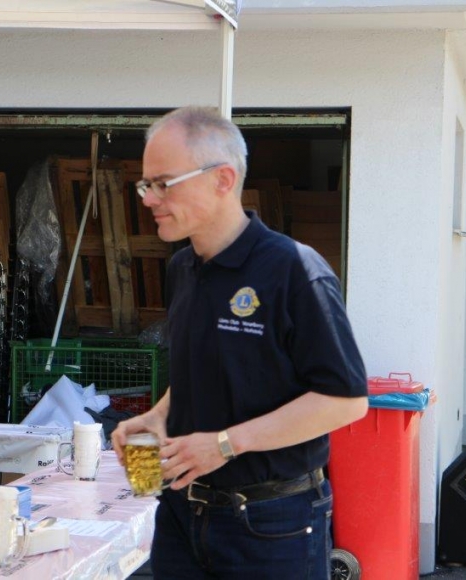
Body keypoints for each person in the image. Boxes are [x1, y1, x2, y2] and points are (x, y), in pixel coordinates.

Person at [111, 107, 368, 579]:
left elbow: (345, 401)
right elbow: (210, 368)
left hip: (272, 524)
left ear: (223, 179)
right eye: (146, 184)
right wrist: (157, 416)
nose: (149, 198)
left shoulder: (294, 270)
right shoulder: (182, 269)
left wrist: (227, 445)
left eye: (164, 183)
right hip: (182, 515)